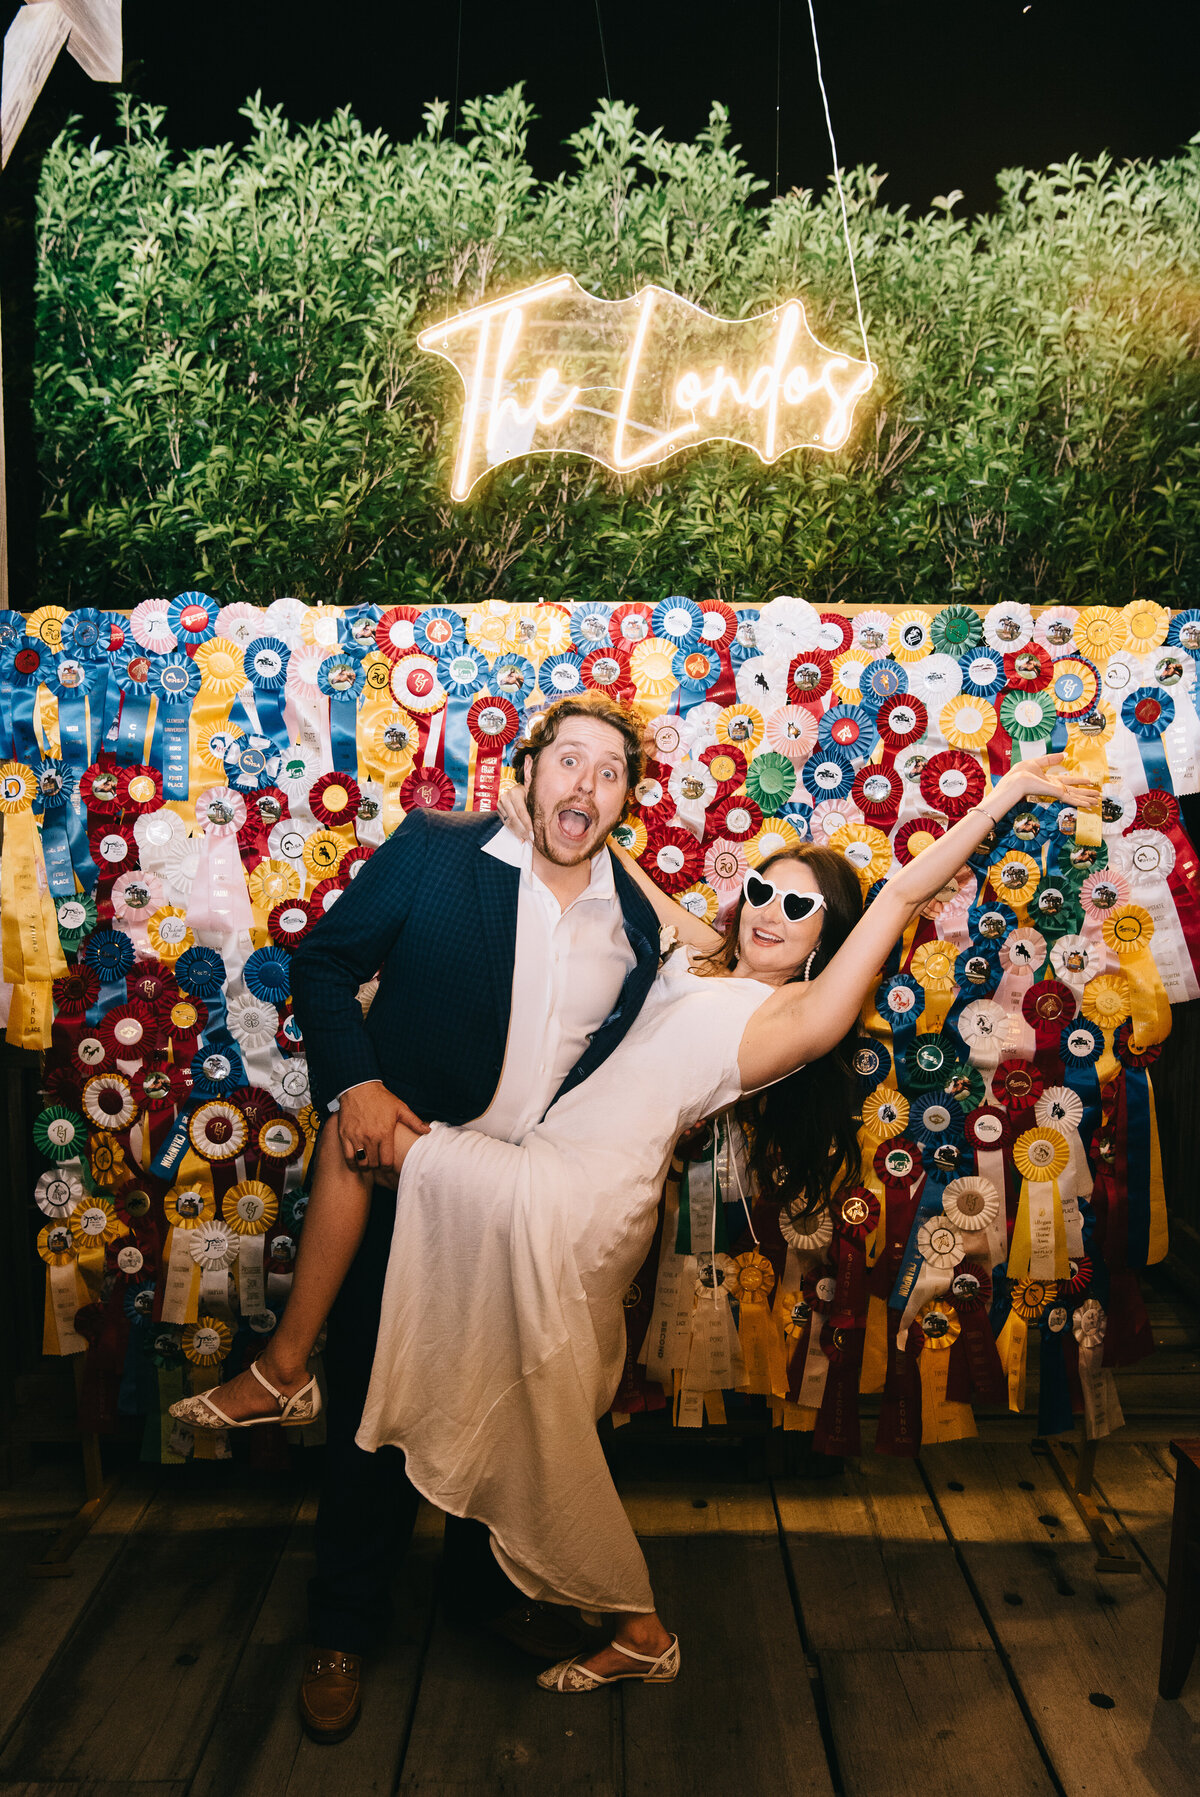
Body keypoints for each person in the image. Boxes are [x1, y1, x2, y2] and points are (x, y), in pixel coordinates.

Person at [239, 750, 1097, 1695]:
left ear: (830, 935)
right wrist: (550, 810)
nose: (770, 909)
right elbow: (623, 869)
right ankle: (635, 1625)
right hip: (553, 1172)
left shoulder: (802, 1012)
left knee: (365, 1123)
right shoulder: (702, 956)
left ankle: (285, 1367)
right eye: (764, 888)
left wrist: (1008, 792)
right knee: (531, 1411)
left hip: (578, 1198)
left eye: (800, 905)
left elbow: (900, 893)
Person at [170, 691, 710, 1741]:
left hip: (527, 1209)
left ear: (626, 804)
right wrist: (354, 1086)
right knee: (377, 1399)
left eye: (610, 774)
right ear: (530, 771)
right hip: (410, 1182)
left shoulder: (638, 919)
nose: (585, 786)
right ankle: (342, 1628)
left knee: (505, 1400)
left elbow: (689, 1011)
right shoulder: (441, 848)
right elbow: (323, 964)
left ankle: (481, 1594)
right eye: (570, 763)